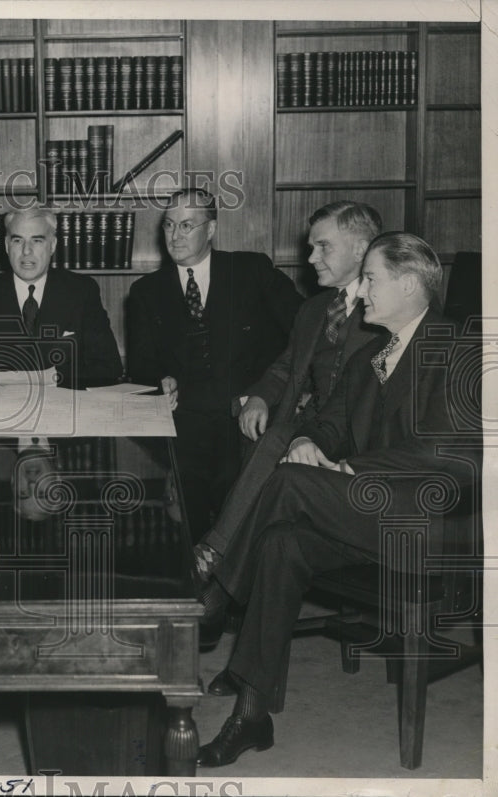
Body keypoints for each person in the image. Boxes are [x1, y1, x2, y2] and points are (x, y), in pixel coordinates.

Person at [196, 232, 467, 767]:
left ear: (411, 285)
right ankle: (251, 713)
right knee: (279, 543)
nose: (360, 292)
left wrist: (349, 468)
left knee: (290, 484)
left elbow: (450, 453)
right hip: (362, 515)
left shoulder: (457, 348)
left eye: (372, 279)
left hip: (429, 522)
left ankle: (218, 594)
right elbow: (331, 424)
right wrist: (306, 442)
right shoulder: (371, 356)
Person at [193, 201, 383, 585]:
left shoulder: (388, 305)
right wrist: (260, 396)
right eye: (311, 247)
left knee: (277, 438)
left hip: (361, 437)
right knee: (256, 432)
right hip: (312, 428)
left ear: (362, 249)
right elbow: (285, 366)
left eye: (322, 246)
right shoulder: (315, 309)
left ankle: (215, 552)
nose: (310, 258)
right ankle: (227, 570)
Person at [126, 188, 302, 540]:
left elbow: (304, 331)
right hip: (181, 422)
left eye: (187, 225)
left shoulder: (251, 270)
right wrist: (160, 380)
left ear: (210, 230)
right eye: (169, 225)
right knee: (186, 523)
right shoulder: (145, 290)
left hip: (244, 416)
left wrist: (267, 393)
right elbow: (140, 364)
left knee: (242, 521)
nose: (175, 236)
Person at [0, 206, 124, 389]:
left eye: (37, 240)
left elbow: (109, 368)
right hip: (2, 410)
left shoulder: (81, 291)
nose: (26, 251)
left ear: (52, 245)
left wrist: (54, 377)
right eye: (17, 240)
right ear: (6, 245)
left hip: (64, 410)